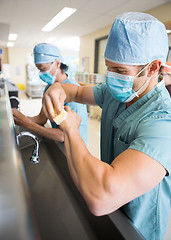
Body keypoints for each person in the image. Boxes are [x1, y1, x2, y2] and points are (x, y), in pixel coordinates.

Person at [42, 12, 171, 240]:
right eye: (109, 68)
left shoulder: (163, 122)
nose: (111, 77)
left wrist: (71, 129)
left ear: (153, 68)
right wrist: (58, 89)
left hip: (137, 229)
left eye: (120, 71)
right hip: (112, 219)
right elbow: (78, 91)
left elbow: (101, 197)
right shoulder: (117, 93)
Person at [12, 43, 88, 144]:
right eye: (38, 69)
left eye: (43, 69)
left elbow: (63, 135)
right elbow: (41, 118)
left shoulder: (73, 91)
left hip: (75, 148)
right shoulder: (50, 88)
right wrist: (21, 118)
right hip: (61, 145)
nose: (41, 73)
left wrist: (27, 124)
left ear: (57, 63)